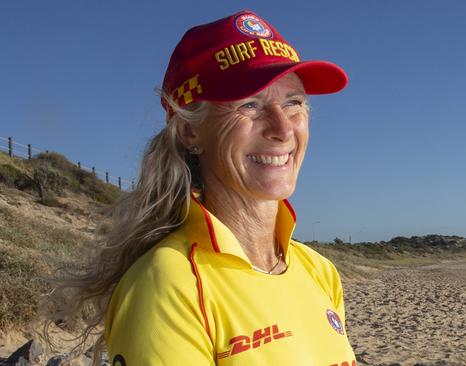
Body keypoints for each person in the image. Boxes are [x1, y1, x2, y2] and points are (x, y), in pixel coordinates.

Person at [48, 9, 356, 366]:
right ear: (190, 130)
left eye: (294, 103)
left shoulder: (319, 271)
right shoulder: (168, 284)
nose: (283, 129)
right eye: (250, 104)